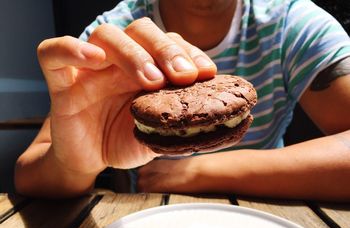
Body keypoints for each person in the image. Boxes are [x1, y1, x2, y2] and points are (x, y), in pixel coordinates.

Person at [15, 0, 350, 200]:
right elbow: (31, 177)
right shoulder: (112, 37)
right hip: (144, 222)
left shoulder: (296, 23)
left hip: (267, 212)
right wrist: (73, 166)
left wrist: (203, 170)